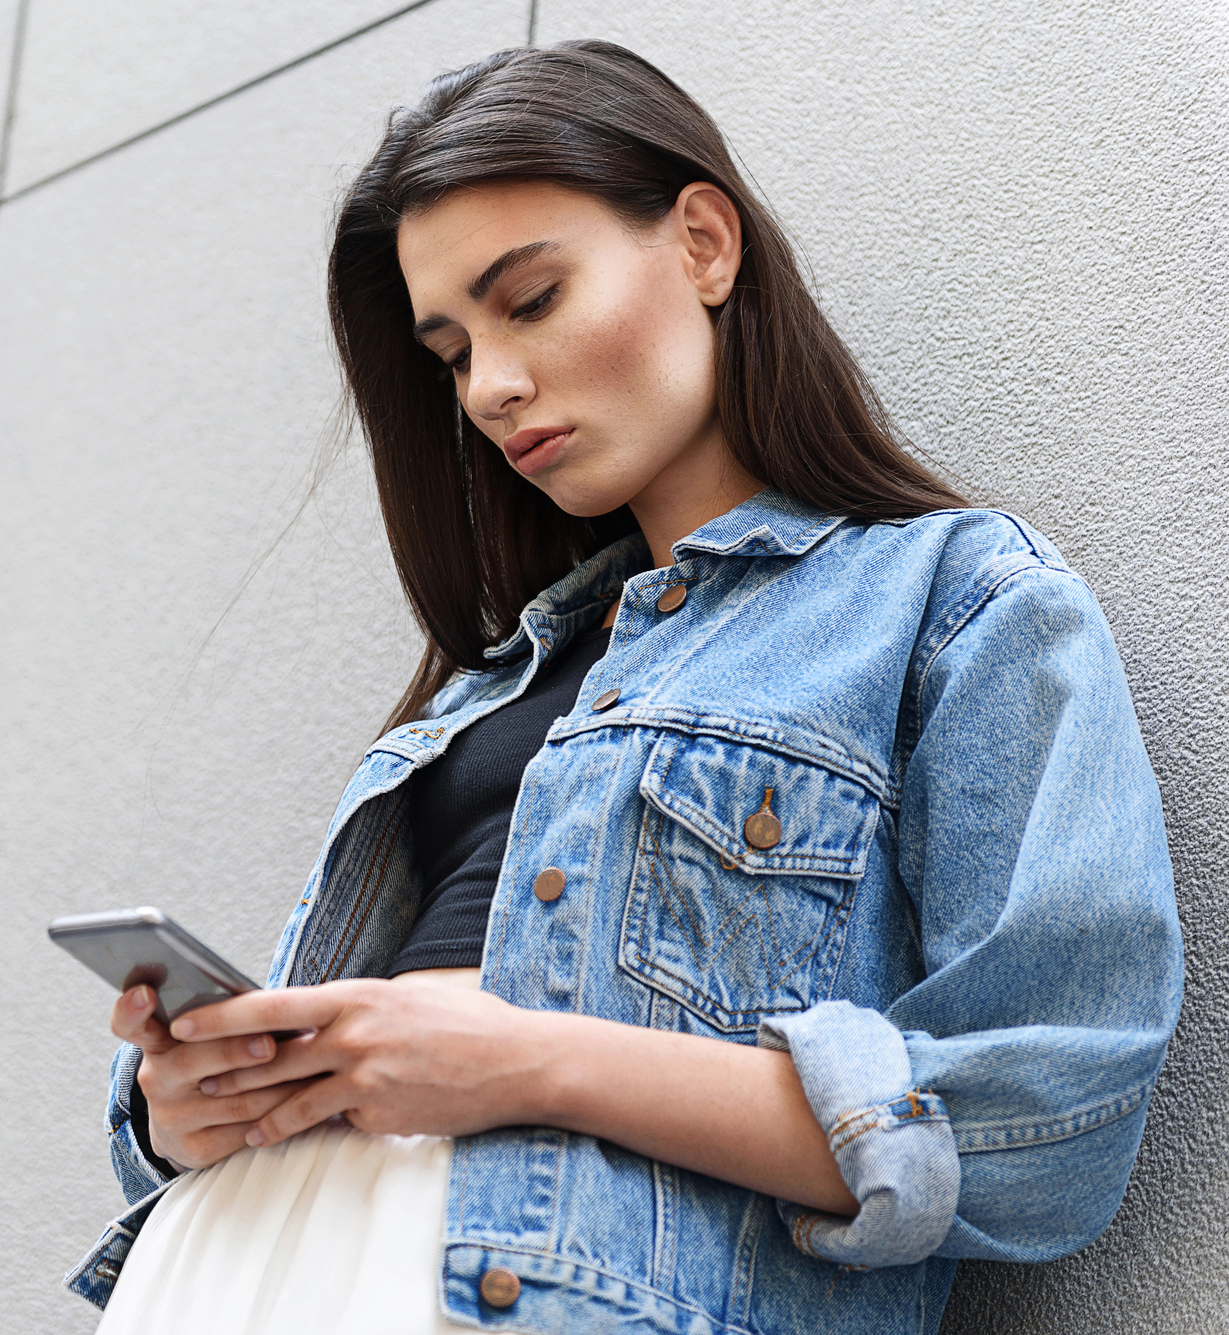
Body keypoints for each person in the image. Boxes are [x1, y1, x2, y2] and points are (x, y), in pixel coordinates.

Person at [64, 39, 1182, 1335]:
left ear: (704, 242)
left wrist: (527, 1057)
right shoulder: (493, 679)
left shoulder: (956, 599)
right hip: (240, 1269)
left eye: (529, 299)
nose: (490, 387)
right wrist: (185, 1108)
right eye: (451, 351)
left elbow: (1048, 1122)